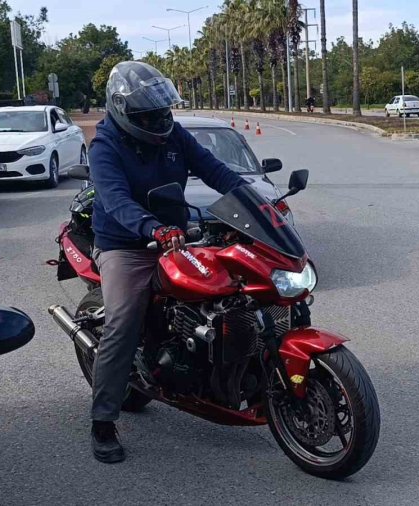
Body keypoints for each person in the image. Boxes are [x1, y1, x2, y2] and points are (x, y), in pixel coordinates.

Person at [87, 61, 248, 463]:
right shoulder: (106, 145)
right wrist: (151, 228)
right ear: (125, 112)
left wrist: (253, 200)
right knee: (122, 323)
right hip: (127, 243)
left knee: (234, 293)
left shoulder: (172, 132)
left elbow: (214, 169)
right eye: (149, 115)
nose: (160, 120)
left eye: (163, 111)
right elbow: (114, 199)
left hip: (177, 235)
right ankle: (103, 422)